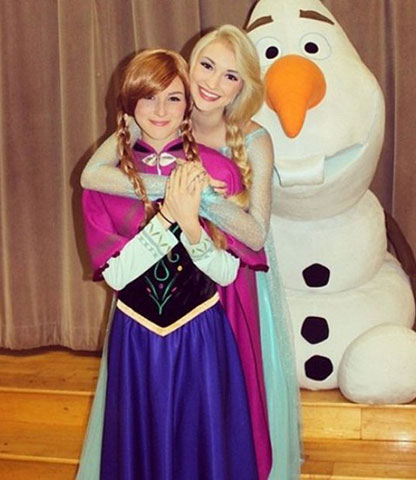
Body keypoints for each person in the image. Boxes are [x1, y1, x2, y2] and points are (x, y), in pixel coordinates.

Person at [81, 25, 301, 480]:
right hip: (155, 287)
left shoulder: (254, 140)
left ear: (242, 88)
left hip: (228, 281)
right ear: (188, 65)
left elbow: (256, 235)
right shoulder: (154, 114)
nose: (213, 83)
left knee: (225, 395)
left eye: (231, 76)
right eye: (207, 66)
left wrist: (204, 204)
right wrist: (178, 190)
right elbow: (91, 177)